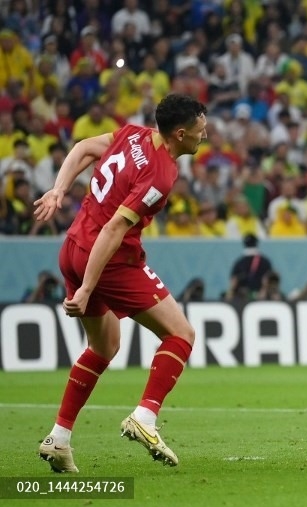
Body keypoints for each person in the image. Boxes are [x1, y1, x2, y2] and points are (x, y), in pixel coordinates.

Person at [33, 93, 208, 472]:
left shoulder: (133, 135)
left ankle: (58, 439)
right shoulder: (161, 174)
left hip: (73, 246)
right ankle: (145, 417)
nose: (204, 135)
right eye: (200, 130)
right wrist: (88, 287)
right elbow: (115, 228)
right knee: (181, 334)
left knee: (103, 345)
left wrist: (58, 189)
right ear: (180, 133)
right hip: (110, 260)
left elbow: (81, 149)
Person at [225, 234, 274, 301]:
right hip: (260, 296)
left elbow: (233, 281)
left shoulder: (239, 262)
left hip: (242, 298)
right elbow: (271, 280)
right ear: (257, 244)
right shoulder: (265, 262)